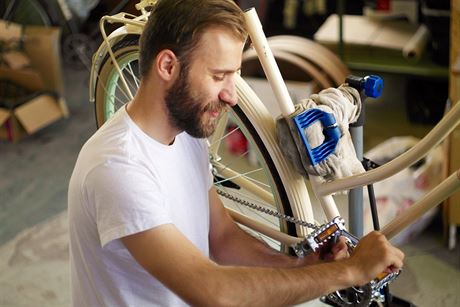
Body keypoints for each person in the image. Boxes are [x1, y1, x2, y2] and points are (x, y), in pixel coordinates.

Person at [68, 0, 405, 306]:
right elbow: (215, 292)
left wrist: (299, 265)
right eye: (219, 76)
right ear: (168, 66)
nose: (231, 96)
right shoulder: (117, 168)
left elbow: (222, 237)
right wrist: (350, 272)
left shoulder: (186, 134)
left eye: (236, 76)